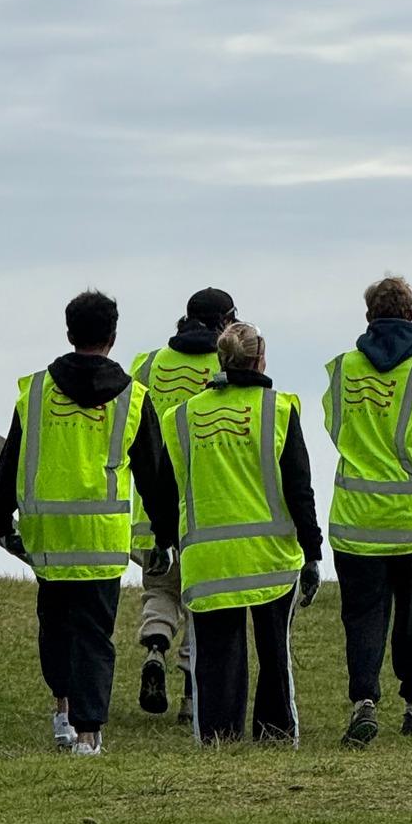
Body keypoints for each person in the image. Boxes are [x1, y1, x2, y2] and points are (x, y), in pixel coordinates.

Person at [0, 290, 174, 756]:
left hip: (49, 539)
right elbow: (154, 475)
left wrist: (0, 515)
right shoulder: (132, 398)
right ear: (113, 336)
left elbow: (11, 462)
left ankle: (62, 713)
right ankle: (89, 734)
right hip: (101, 541)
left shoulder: (35, 392)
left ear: (69, 332)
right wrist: (166, 535)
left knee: (55, 629)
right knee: (94, 635)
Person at [157, 321, 321, 744]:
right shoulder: (278, 410)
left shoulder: (182, 417)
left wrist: (165, 540)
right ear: (260, 360)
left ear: (221, 360)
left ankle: (219, 738)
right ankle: (275, 736)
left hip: (208, 560)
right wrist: (313, 552)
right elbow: (299, 488)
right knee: (274, 655)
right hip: (270, 558)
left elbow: (165, 489)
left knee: (216, 658)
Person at [324, 275, 412, 746]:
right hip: (411, 523)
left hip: (355, 519)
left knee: (362, 615)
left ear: (369, 317)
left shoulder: (342, 370)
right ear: (410, 315)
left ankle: (364, 703)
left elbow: (336, 429)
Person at [129, 286, 237, 724]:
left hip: (151, 511)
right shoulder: (228, 364)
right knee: (200, 603)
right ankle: (192, 698)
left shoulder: (147, 364)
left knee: (160, 590)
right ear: (224, 323)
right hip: (205, 508)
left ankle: (155, 647)